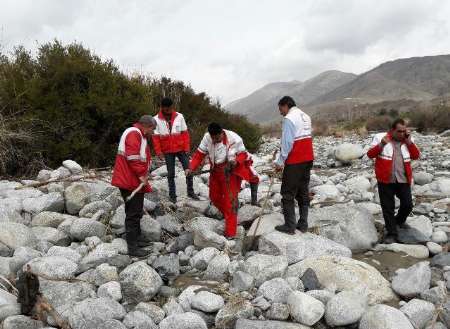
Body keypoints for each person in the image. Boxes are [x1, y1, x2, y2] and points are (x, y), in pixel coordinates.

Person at [186, 123, 258, 238]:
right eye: (212, 138)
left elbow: (243, 155)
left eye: (217, 138)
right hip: (215, 171)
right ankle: (230, 215)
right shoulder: (207, 138)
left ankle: (231, 233)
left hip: (230, 172)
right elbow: (199, 155)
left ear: (222, 133)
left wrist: (235, 161)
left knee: (230, 201)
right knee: (214, 197)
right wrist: (191, 168)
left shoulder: (234, 138)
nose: (214, 140)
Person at [367, 118, 420, 244]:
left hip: (403, 179)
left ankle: (398, 222)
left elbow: (415, 156)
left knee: (408, 205)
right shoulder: (380, 137)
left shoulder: (408, 140)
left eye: (404, 131)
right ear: (392, 130)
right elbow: (370, 154)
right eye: (399, 131)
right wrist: (382, 144)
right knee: (388, 208)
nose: (402, 134)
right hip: (385, 179)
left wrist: (409, 142)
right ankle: (392, 233)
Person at [111, 115, 156, 257]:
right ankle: (133, 247)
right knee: (133, 213)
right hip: (129, 180)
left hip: (131, 179)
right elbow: (133, 157)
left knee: (134, 211)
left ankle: (136, 238)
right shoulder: (134, 134)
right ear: (146, 126)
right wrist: (142, 175)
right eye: (152, 129)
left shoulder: (138, 134)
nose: (152, 132)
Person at [273, 96, 314, 234]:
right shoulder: (305, 116)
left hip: (295, 160)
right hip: (308, 158)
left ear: (286, 106)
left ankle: (290, 226)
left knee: (287, 193)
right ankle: (303, 224)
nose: (281, 112)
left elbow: (287, 142)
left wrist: (280, 162)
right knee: (303, 191)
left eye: (281, 109)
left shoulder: (289, 118)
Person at [152, 97, 199, 203]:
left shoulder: (179, 116)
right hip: (167, 151)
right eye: (166, 108)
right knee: (171, 174)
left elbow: (185, 134)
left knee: (188, 169)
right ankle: (172, 196)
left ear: (172, 106)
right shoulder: (155, 119)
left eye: (169, 108)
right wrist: (158, 152)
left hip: (181, 148)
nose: (168, 110)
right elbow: (155, 137)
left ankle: (190, 192)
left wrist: (187, 148)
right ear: (162, 107)